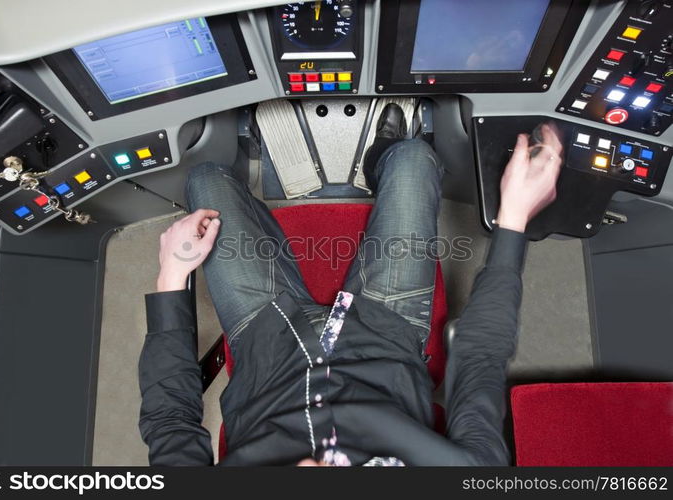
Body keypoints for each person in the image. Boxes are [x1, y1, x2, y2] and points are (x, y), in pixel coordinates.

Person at [138, 104, 563, 466]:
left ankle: (264, 235)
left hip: (266, 341)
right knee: (414, 157)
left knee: (206, 180)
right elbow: (481, 357)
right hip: (386, 332)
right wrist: (514, 220)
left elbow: (169, 420)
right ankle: (385, 153)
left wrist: (172, 274)